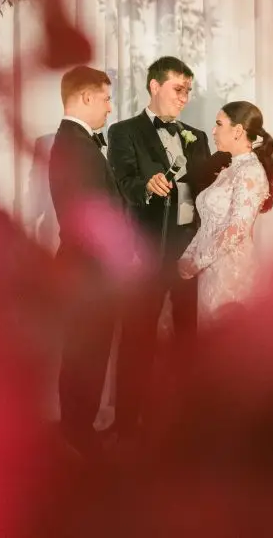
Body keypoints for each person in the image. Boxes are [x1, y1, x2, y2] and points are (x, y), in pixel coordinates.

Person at [106, 56, 210, 437]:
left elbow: (205, 194)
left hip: (187, 253)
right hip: (146, 253)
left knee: (187, 339)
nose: (184, 98)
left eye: (188, 91)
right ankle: (127, 424)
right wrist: (146, 187)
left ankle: (182, 424)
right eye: (177, 89)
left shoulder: (197, 136)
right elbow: (124, 183)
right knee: (138, 339)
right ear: (154, 86)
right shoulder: (124, 132)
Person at [47, 65, 118, 459]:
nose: (110, 107)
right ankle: (77, 433)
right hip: (89, 268)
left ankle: (78, 429)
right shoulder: (76, 145)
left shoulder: (76, 142)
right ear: (86, 97)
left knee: (86, 352)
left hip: (85, 267)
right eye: (106, 98)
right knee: (85, 354)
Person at [177, 101, 273, 323]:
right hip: (210, 272)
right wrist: (187, 256)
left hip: (231, 272)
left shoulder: (251, 171)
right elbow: (208, 224)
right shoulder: (230, 170)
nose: (213, 130)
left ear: (238, 131)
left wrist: (197, 262)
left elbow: (237, 229)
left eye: (218, 124)